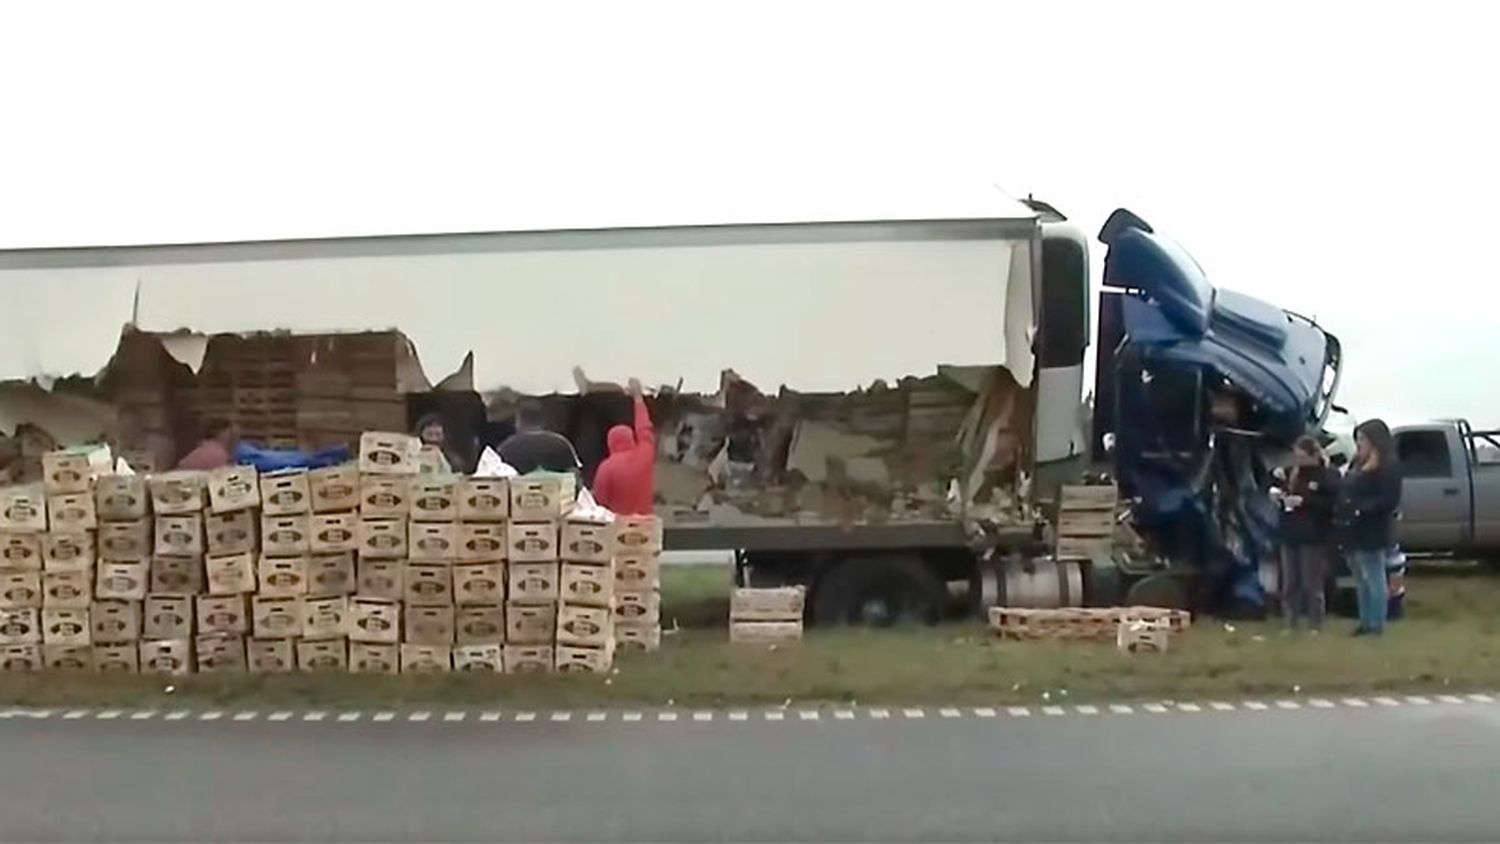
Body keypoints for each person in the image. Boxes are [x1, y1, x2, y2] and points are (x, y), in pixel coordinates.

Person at [1337, 419, 1402, 636]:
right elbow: (1346, 487)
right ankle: (1365, 621)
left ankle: (1377, 624)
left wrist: (1361, 508)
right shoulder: (1358, 462)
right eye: (1358, 439)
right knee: (1360, 579)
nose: (1359, 443)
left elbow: (1389, 499)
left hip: (1372, 528)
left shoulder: (1388, 465)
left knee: (1374, 577)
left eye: (1363, 439)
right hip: (1352, 529)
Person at [1278, 436, 1340, 631]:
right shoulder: (1291, 473)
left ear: (1314, 455)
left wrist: (1305, 502)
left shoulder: (1327, 475)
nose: (1299, 461)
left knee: (1311, 583)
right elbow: (1275, 485)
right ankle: (1290, 622)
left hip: (1313, 534)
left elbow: (1331, 503)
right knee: (1289, 583)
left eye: (1302, 456)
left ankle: (1315, 624)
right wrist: (1279, 496)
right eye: (1296, 456)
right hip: (1290, 532)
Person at [593, 378, 656, 515]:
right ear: (631, 438)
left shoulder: (606, 467)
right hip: (645, 523)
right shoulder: (644, 454)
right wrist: (638, 398)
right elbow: (644, 428)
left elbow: (600, 501)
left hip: (618, 527)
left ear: (610, 443)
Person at [497, 399, 581, 475]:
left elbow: (495, 474)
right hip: (557, 490)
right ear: (543, 421)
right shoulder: (561, 443)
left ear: (519, 420)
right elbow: (575, 474)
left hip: (519, 491)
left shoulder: (506, 447)